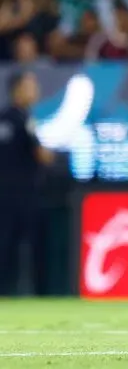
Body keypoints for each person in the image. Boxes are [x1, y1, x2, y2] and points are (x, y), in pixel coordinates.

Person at [0, 71, 55, 295]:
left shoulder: (6, 118)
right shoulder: (25, 121)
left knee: (6, 247)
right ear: (18, 90)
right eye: (30, 86)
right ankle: (40, 293)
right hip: (25, 195)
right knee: (34, 247)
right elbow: (43, 157)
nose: (35, 90)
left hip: (5, 195)